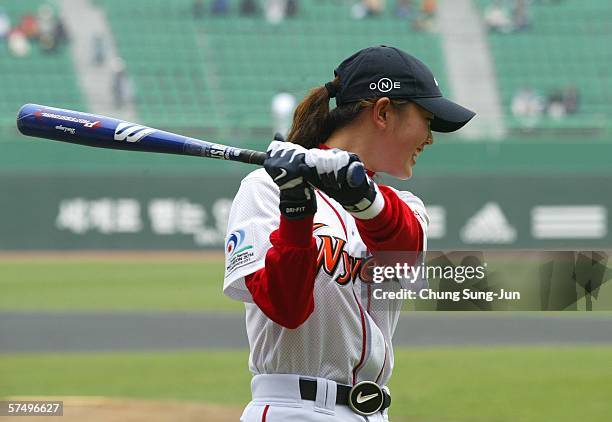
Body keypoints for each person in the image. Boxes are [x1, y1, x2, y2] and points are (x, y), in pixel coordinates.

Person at [224, 45, 475, 421]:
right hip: (292, 409)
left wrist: (362, 197)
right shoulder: (265, 189)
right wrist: (296, 208)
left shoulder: (407, 207)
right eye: (426, 117)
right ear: (383, 111)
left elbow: (402, 254)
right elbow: (286, 308)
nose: (430, 137)